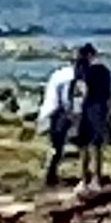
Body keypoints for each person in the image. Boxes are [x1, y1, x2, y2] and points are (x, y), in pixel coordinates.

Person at [73, 44, 111, 187]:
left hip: (87, 108)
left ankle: (84, 179)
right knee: (96, 146)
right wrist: (109, 114)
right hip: (100, 108)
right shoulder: (104, 71)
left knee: (84, 145)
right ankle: (96, 179)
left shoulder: (82, 69)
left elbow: (82, 91)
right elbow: (109, 95)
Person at [37, 54, 79, 186]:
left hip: (49, 112)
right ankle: (50, 176)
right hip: (57, 113)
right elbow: (66, 98)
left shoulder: (60, 73)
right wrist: (71, 115)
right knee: (57, 148)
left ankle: (50, 175)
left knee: (55, 147)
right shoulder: (71, 76)